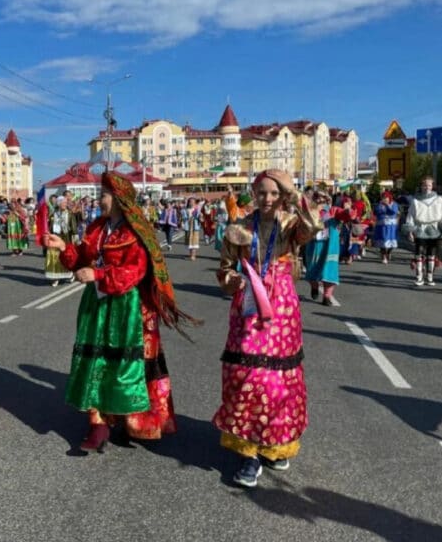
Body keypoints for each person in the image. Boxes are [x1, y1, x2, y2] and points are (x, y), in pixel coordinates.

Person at [44, 171, 197, 452]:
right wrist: (64, 247)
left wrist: (98, 274)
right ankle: (98, 423)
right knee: (96, 363)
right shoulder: (97, 228)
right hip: (97, 306)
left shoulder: (136, 231)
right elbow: (81, 260)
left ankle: (130, 418)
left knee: (125, 367)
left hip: (127, 308)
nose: (98, 199)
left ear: (118, 199)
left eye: (103, 195)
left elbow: (135, 271)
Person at [214, 169, 322, 488]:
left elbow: (314, 225)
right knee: (246, 374)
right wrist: (232, 280)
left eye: (275, 193)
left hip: (282, 307)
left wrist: (294, 192)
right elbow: (224, 269)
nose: (267, 199)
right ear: (253, 193)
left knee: (278, 379)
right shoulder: (239, 228)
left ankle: (273, 443)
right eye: (262, 193)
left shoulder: (290, 224)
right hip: (249, 303)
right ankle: (249, 453)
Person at [303, 189, 350, 307]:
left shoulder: (333, 210)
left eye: (323, 198)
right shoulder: (308, 212)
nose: (320, 200)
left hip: (330, 246)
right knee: (312, 270)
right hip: (314, 245)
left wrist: (348, 211)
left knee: (329, 271)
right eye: (317, 197)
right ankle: (314, 287)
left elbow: (345, 215)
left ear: (327, 199)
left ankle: (327, 296)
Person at [404, 175, 442, 286]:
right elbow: (410, 216)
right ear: (421, 186)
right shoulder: (415, 201)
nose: (427, 187)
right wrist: (410, 231)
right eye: (424, 185)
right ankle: (419, 277)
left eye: (429, 185)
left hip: (434, 229)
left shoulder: (439, 200)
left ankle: (429, 277)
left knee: (431, 254)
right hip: (420, 229)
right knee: (418, 253)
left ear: (432, 186)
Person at [46, 196, 77, 286]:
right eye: (63, 203)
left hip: (66, 239)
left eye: (65, 203)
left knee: (65, 257)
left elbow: (74, 227)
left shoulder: (70, 214)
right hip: (55, 238)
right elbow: (49, 226)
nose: (65, 204)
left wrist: (75, 239)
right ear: (58, 204)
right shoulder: (53, 214)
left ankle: (69, 274)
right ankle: (55, 277)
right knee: (54, 257)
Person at [373, 191, 399, 264]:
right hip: (382, 226)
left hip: (391, 226)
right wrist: (381, 208)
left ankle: (388, 252)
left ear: (389, 198)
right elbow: (376, 212)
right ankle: (384, 256)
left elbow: (393, 212)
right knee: (383, 241)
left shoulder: (394, 204)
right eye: (383, 197)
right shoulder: (380, 204)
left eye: (386, 197)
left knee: (392, 242)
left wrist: (387, 206)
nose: (384, 199)